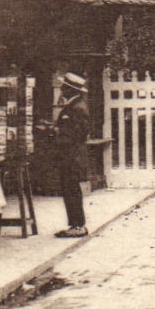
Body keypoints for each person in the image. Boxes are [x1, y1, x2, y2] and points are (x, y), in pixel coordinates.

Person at [51, 72, 91, 238]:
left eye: (64, 87)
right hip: (71, 155)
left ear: (71, 89)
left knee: (71, 189)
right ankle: (75, 224)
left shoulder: (76, 108)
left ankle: (77, 225)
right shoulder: (75, 106)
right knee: (70, 189)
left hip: (71, 156)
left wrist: (55, 132)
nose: (61, 89)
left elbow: (74, 134)